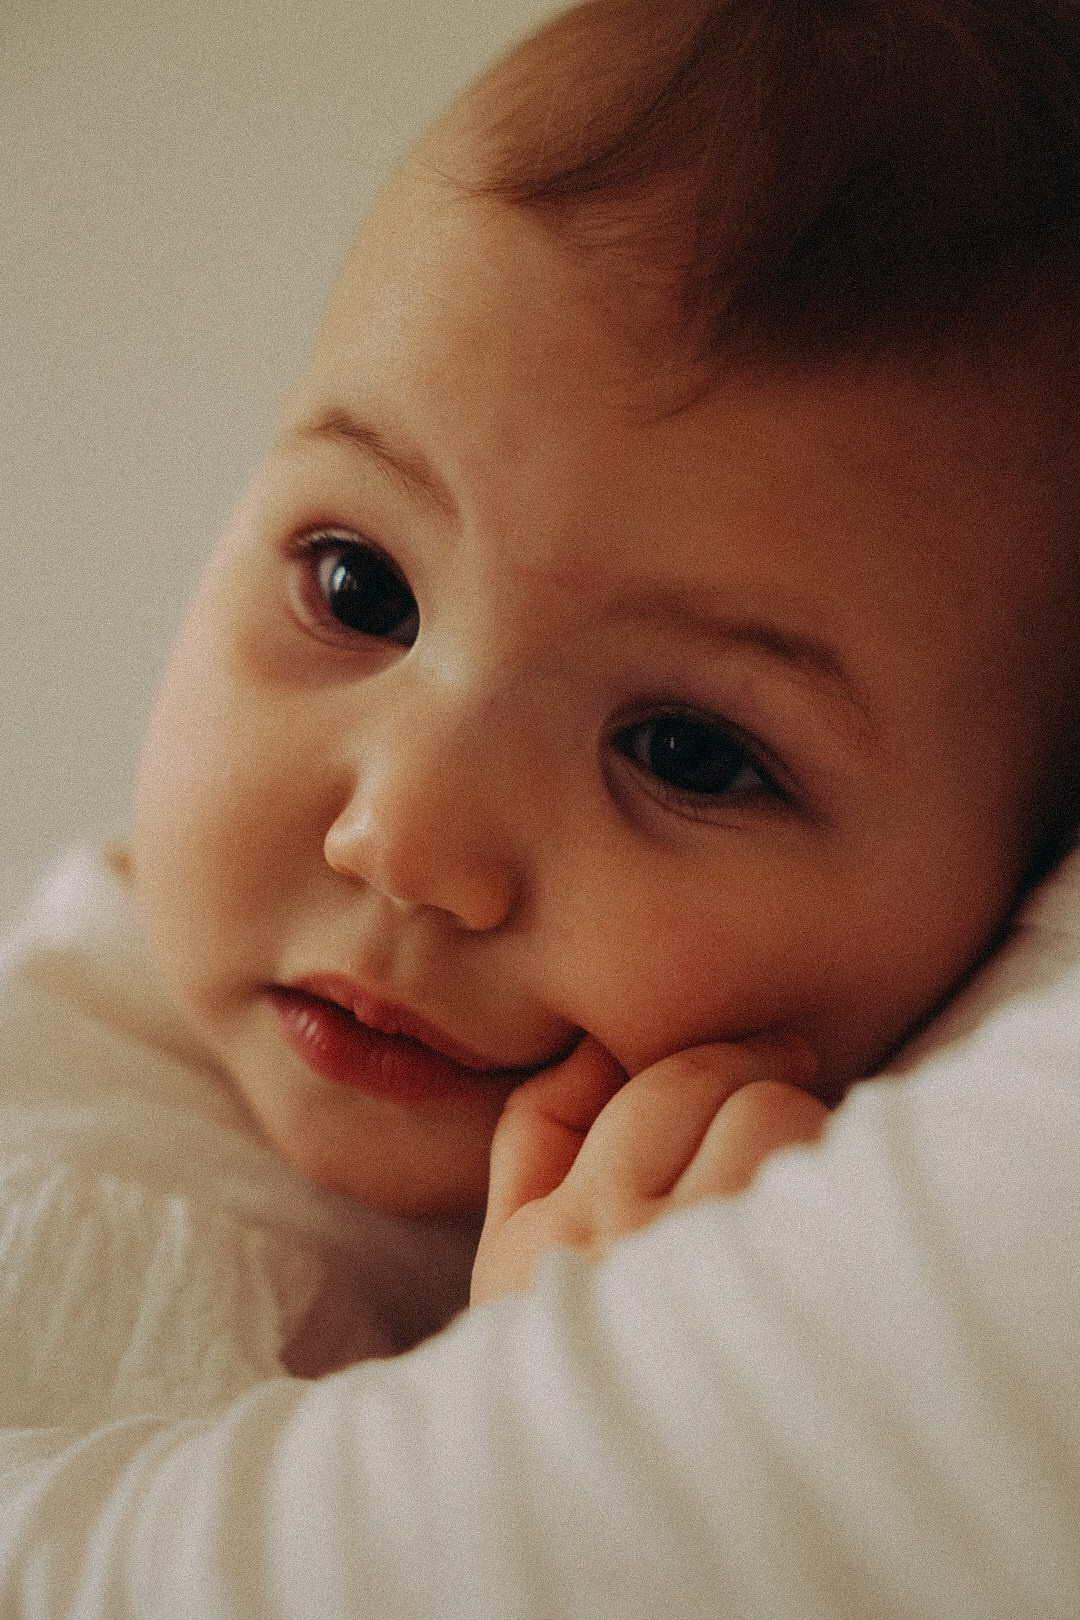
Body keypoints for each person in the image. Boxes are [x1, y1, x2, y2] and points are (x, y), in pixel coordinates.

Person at [1, 0, 1079, 1613]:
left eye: (689, 753)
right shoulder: (72, 1157)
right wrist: (561, 1419)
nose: (405, 840)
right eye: (357, 586)